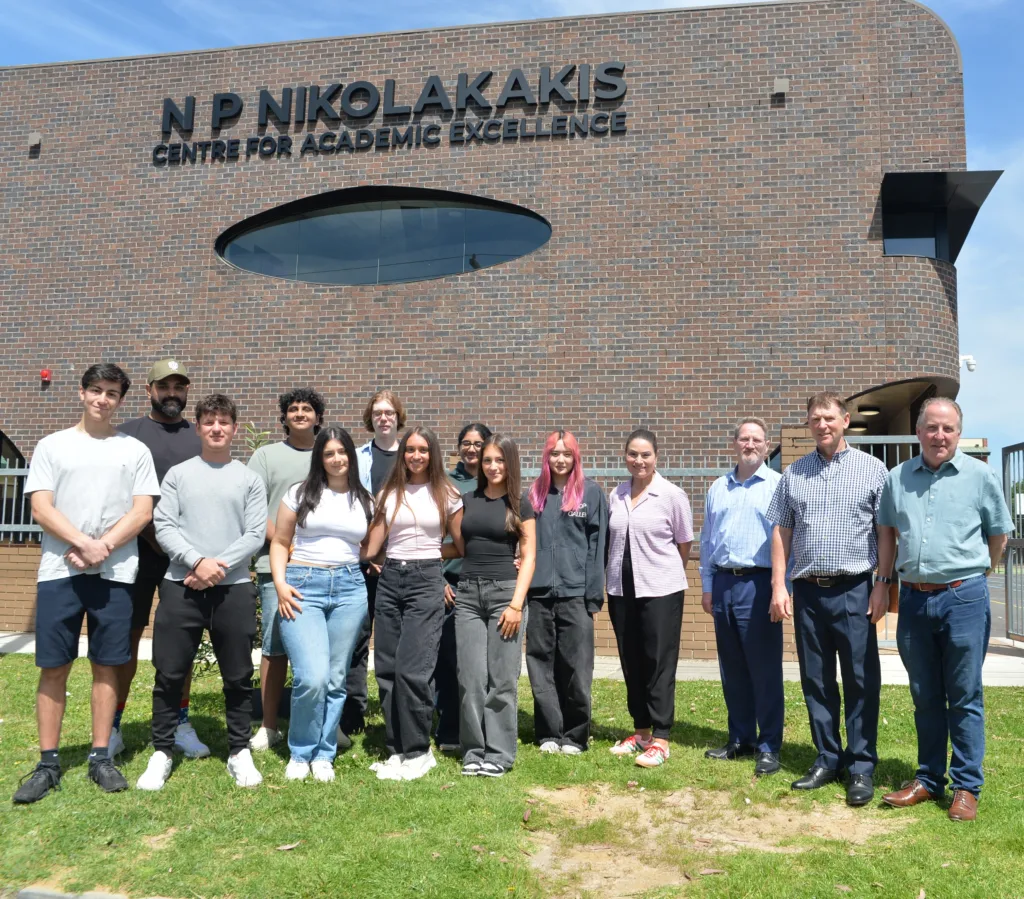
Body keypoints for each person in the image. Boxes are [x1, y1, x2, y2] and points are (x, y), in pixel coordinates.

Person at [14, 364, 160, 804]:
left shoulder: (133, 450)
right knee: (54, 666)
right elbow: (41, 507)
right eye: (95, 390)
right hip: (61, 571)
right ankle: (48, 763)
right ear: (81, 393)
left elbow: (142, 511)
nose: (102, 399)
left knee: (106, 663)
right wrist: (82, 542)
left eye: (112, 393)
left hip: (115, 573)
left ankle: (100, 757)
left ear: (121, 400)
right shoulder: (52, 445)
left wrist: (104, 545)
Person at [878, 398, 1012, 822]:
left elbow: (998, 536)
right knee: (925, 695)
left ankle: (966, 786)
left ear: (959, 433)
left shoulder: (981, 476)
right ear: (918, 432)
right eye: (932, 428)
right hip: (914, 599)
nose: (939, 436)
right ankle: (928, 778)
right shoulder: (897, 478)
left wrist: (974, 573)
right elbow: (888, 534)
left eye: (948, 429)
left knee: (964, 695)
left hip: (963, 598)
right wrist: (884, 584)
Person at [137, 394, 268, 790]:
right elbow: (164, 527)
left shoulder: (248, 478)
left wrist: (215, 568)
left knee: (238, 674)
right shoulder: (178, 475)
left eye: (224, 422)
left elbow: (255, 534)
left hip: (234, 591)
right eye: (209, 421)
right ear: (198, 427)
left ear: (233, 428)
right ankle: (162, 750)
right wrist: (197, 562)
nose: (216, 428)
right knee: (169, 672)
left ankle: (238, 751)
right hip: (182, 588)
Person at [767, 391, 888, 807]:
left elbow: (886, 533)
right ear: (809, 424)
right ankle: (827, 757)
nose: (822, 425)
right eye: (815, 419)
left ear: (846, 421)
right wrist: (778, 586)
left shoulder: (873, 470)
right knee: (815, 680)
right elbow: (781, 533)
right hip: (806, 592)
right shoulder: (793, 475)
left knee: (859, 679)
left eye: (829, 418)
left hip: (855, 587)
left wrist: (882, 583)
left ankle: (860, 766)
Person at [112, 357, 205, 760]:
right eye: (163, 386)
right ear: (149, 391)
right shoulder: (126, 435)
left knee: (179, 644)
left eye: (178, 387)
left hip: (182, 557)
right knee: (125, 641)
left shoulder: (199, 436)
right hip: (132, 555)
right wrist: (150, 535)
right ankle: (113, 725)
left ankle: (179, 722)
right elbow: (116, 495)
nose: (172, 394)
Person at [270, 427, 373, 782]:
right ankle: (300, 751)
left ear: (351, 455)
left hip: (349, 589)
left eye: (342, 452)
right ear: (320, 458)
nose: (336, 459)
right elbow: (280, 542)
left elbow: (372, 547)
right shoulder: (299, 493)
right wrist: (281, 584)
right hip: (303, 588)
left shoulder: (364, 498)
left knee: (335, 677)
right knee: (311, 677)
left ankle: (324, 753)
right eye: (328, 453)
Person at [362, 426, 464, 781]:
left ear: (432, 454)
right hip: (390, 579)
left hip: (425, 580)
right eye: (410, 449)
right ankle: (396, 749)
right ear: (402, 453)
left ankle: (419, 751)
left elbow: (460, 546)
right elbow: (372, 546)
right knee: (387, 668)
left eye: (423, 450)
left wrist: (430, 553)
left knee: (414, 669)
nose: (416, 455)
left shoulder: (446, 492)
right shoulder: (389, 492)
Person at [699, 418, 784, 777]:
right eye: (744, 439)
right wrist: (706, 585)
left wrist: (782, 588)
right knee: (732, 668)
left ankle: (768, 746)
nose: (750, 445)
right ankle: (740, 738)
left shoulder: (778, 486)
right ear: (734, 443)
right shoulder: (718, 487)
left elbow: (786, 542)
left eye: (757, 440)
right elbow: (706, 539)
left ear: (766, 447)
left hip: (759, 583)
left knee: (763, 670)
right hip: (723, 583)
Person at [606, 428, 694, 768]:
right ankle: (641, 732)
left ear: (656, 456)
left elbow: (684, 543)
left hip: (660, 590)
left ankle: (661, 738)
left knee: (658, 662)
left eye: (645, 454)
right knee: (632, 660)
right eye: (632, 454)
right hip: (620, 590)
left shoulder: (671, 495)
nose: (639, 460)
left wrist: (664, 574)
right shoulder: (617, 494)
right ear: (625, 456)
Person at [453, 434, 536, 777]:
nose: (492, 466)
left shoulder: (521, 503)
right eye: (487, 460)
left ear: (510, 463)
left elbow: (529, 555)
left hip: (506, 595)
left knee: (502, 679)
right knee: (470, 678)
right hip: (468, 596)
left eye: (499, 460)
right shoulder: (466, 500)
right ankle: (473, 751)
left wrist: (516, 604)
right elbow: (460, 547)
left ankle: (499, 754)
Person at [247, 388, 325, 752]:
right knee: (275, 647)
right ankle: (268, 725)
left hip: (326, 567)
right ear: (284, 417)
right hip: (274, 566)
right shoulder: (266, 456)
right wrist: (285, 543)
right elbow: (253, 507)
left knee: (322, 650)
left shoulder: (331, 454)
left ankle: (323, 723)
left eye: (306, 408)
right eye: (292, 409)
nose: (299, 413)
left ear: (317, 417)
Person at [525, 430, 607, 755]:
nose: (560, 459)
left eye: (567, 454)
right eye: (554, 453)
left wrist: (592, 596)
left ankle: (575, 735)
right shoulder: (534, 495)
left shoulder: (591, 494)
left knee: (577, 666)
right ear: (546, 457)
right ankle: (548, 732)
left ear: (575, 457)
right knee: (541, 663)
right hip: (540, 594)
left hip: (576, 595)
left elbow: (597, 546)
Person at [340, 389, 406, 741]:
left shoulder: (411, 456)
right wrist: (370, 554)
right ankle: (353, 714)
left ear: (398, 417)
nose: (384, 418)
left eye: (390, 412)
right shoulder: (358, 457)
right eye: (378, 412)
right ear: (371, 418)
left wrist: (386, 554)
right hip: (361, 562)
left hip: (401, 561)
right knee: (356, 639)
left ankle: (399, 713)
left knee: (397, 644)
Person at [437, 423, 493, 752]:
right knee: (449, 660)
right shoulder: (444, 483)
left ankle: (483, 728)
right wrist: (439, 579)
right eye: (466, 444)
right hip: (451, 583)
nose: (472, 449)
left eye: (478, 443)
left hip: (487, 581)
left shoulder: (497, 481)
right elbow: (431, 537)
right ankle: (449, 730)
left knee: (481, 663)